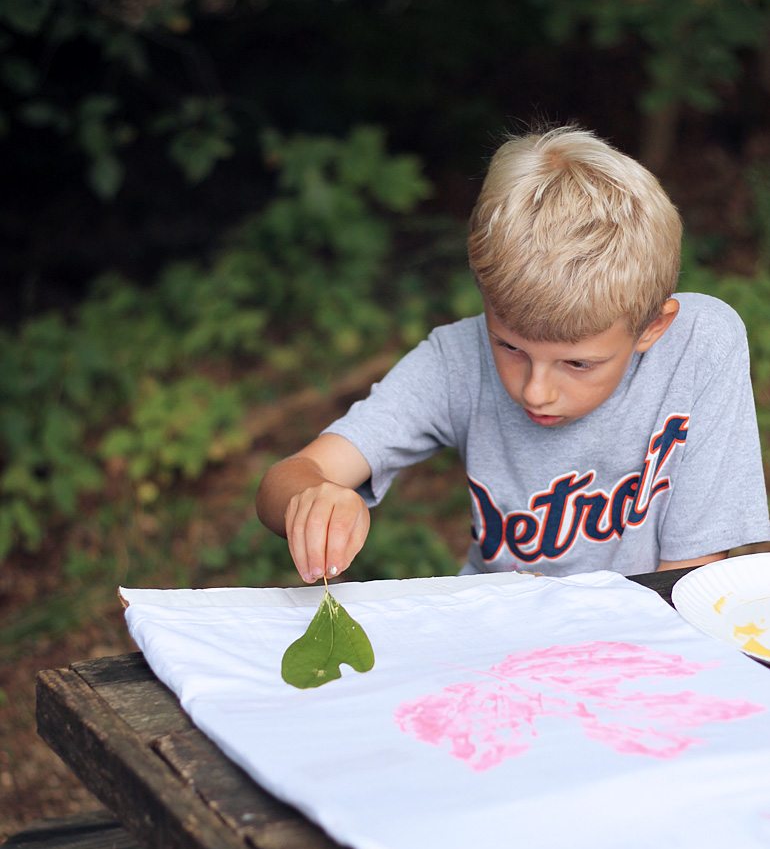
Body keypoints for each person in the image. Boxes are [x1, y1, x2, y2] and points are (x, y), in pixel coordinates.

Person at [256, 125, 770, 583]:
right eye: (509, 346)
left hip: (646, 636)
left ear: (651, 328)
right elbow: (289, 477)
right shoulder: (454, 362)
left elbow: (692, 575)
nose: (535, 390)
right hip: (499, 641)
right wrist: (311, 498)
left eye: (578, 363)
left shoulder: (701, 343)